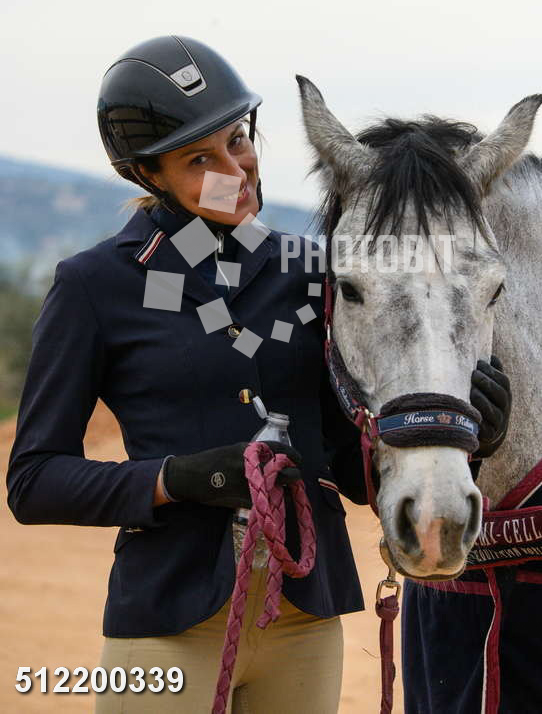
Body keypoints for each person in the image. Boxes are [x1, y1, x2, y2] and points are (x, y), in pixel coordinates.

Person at [6, 35, 511, 713]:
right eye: (199, 159)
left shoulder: (314, 271)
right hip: (170, 623)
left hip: (305, 621)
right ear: (147, 174)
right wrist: (173, 480)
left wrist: (467, 437)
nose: (236, 171)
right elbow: (34, 481)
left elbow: (351, 465)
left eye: (238, 141)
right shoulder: (95, 286)